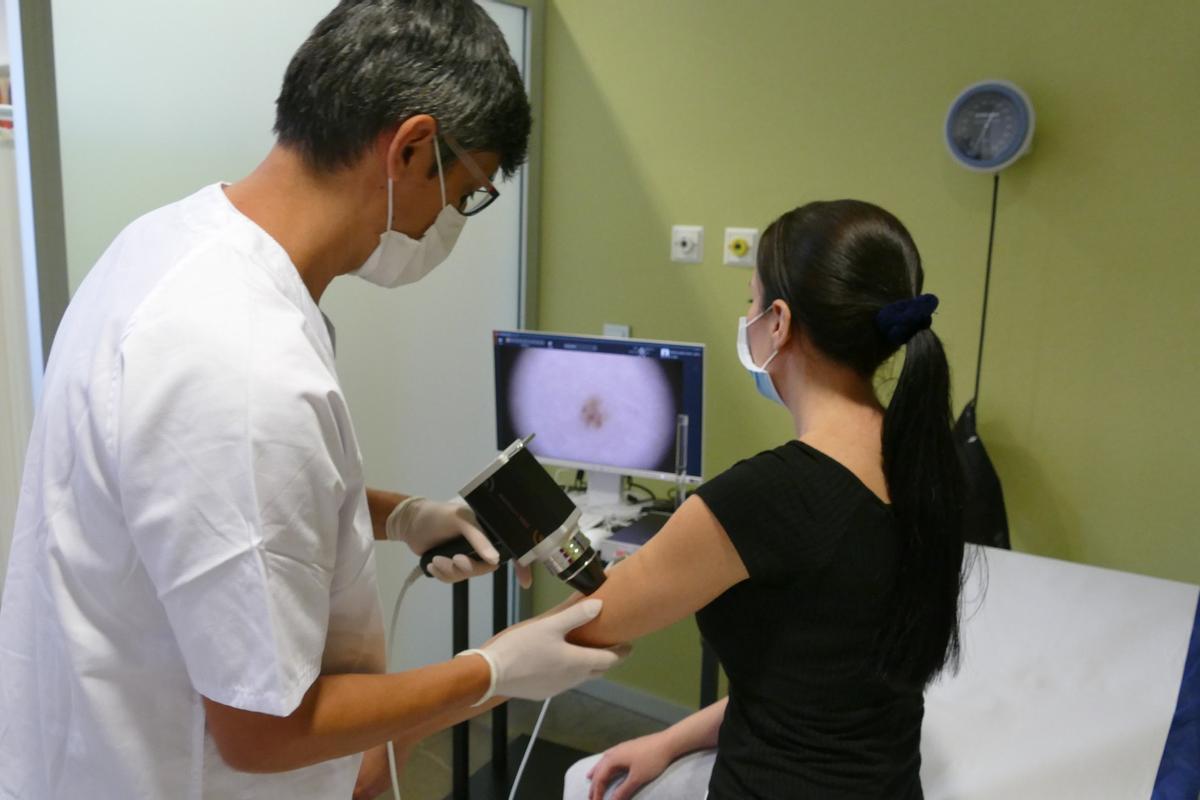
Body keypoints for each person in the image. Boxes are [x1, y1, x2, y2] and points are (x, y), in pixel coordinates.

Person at [0, 3, 626, 799]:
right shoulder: (243, 364)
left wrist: (401, 515)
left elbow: (207, 505)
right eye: (465, 195)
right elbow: (268, 730)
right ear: (411, 147)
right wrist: (492, 671)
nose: (448, 223)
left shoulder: (171, 245)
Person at [561, 200, 968, 800]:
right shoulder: (926, 467)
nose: (745, 316)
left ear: (779, 322)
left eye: (751, 301)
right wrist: (671, 740)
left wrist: (542, 548)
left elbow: (586, 626)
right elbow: (814, 684)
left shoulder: (765, 498)